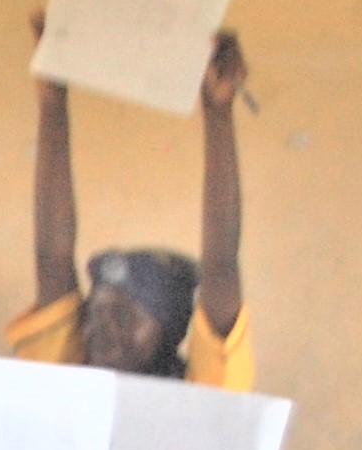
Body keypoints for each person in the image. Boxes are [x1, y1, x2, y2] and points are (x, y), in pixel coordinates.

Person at [13, 23, 252, 390]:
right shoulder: (70, 375)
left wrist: (218, 114)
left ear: (170, 332)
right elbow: (51, 259)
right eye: (95, 314)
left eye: (126, 317)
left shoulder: (202, 392)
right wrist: (52, 101)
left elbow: (221, 268)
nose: (104, 330)